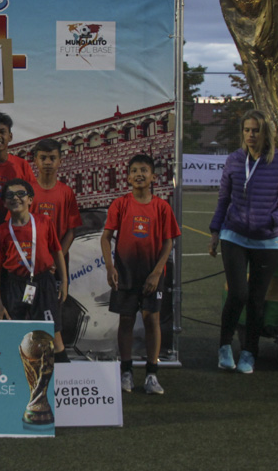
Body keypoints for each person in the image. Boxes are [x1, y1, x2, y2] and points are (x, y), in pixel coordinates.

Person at [209, 110, 278, 374]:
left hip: (266, 241)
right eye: (247, 130)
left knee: (256, 300)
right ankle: (225, 347)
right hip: (233, 235)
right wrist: (215, 231)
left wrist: (275, 218)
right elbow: (223, 199)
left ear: (265, 133)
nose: (250, 135)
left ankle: (250, 352)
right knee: (239, 293)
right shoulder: (234, 160)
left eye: (255, 130)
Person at [101, 155, 180, 394]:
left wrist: (157, 272)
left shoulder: (162, 207)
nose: (139, 174)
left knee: (151, 320)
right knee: (125, 320)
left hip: (150, 274)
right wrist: (109, 266)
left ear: (153, 177)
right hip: (125, 272)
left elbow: (168, 242)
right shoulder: (120, 204)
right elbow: (106, 237)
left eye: (144, 170)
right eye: (134, 170)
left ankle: (152, 375)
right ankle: (126, 372)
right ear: (127, 177)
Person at [0, 178, 70, 363]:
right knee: (14, 333)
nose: (16, 198)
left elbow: (57, 251)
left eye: (21, 194)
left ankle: (63, 379)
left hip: (43, 282)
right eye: (10, 195)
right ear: (5, 202)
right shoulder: (1, 232)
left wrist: (64, 281)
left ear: (30, 199)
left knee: (52, 333)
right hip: (14, 284)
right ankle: (16, 379)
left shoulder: (44, 222)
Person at [30, 139, 82, 261]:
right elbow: (16, 226)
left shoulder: (67, 192)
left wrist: (58, 258)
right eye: (43, 158)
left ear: (60, 161)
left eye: (52, 158)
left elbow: (71, 231)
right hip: (31, 259)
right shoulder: (26, 191)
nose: (48, 162)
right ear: (35, 161)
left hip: (59, 259)